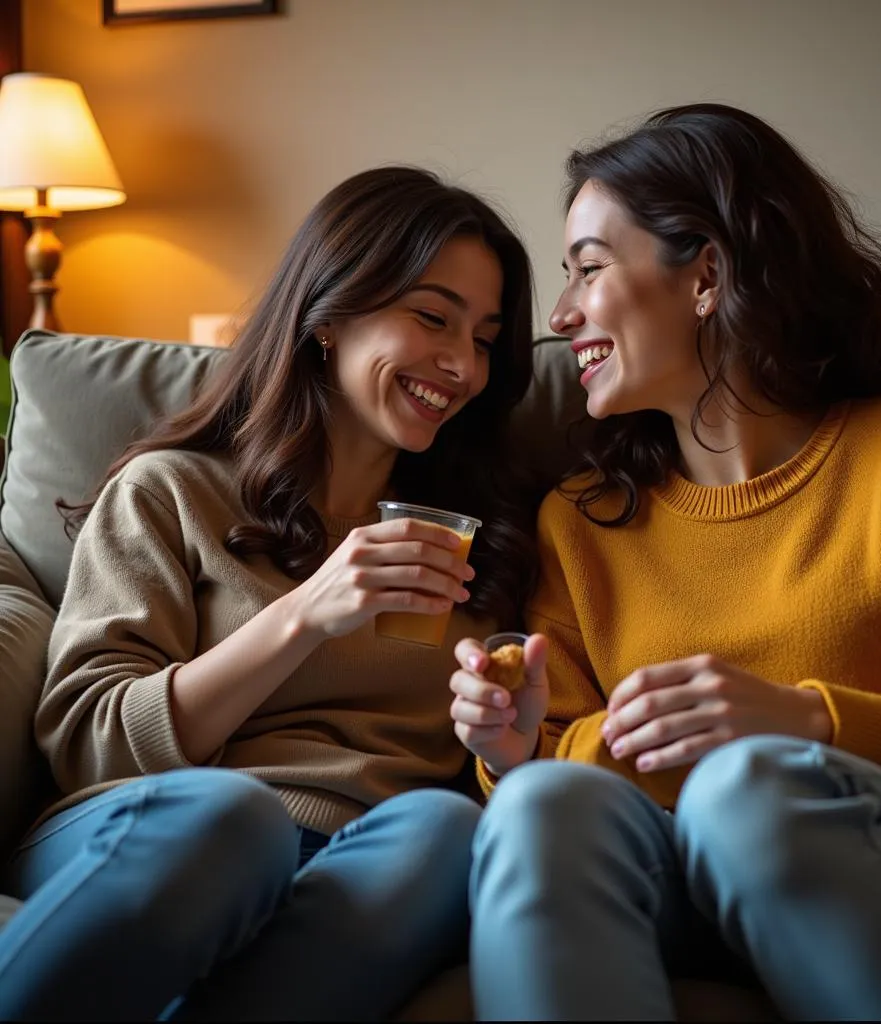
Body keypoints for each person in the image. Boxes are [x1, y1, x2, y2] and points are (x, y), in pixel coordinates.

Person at [449, 103, 881, 1021]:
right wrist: (513, 756)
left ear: (707, 274)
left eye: (589, 268)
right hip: (674, 881)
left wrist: (805, 723)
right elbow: (562, 756)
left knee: (746, 787)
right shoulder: (582, 522)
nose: (558, 316)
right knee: (539, 808)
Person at [0, 165, 536, 1021]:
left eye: (484, 338)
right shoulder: (171, 491)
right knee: (236, 820)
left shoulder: (485, 540)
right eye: (432, 318)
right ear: (329, 315)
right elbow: (87, 742)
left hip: (370, 850)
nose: (460, 364)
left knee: (447, 832)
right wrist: (304, 614)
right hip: (162, 831)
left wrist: (508, 748)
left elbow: (501, 777)